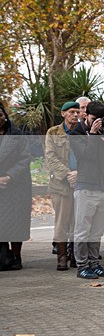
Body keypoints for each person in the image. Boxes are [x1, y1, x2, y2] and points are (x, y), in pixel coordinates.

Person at [69, 100, 104, 279]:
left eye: (100, 119)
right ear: (85, 115)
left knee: (97, 231)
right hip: (85, 187)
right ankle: (82, 266)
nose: (97, 122)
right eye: (94, 118)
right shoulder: (76, 133)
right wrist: (92, 134)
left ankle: (94, 263)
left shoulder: (102, 131)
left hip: (103, 187)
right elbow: (87, 155)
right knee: (83, 230)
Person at [45, 101, 81, 271]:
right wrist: (68, 175)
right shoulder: (53, 132)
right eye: (72, 112)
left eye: (77, 112)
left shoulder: (82, 132)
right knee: (61, 222)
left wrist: (79, 174)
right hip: (60, 185)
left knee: (77, 222)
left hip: (80, 182)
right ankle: (61, 257)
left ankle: (74, 256)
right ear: (63, 113)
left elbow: (89, 156)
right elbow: (51, 158)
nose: (75, 115)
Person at [0, 102, 32, 271]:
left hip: (17, 185)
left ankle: (17, 255)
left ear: (5, 115)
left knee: (17, 222)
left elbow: (25, 158)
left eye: (0, 115)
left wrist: (9, 176)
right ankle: (4, 257)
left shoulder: (17, 134)